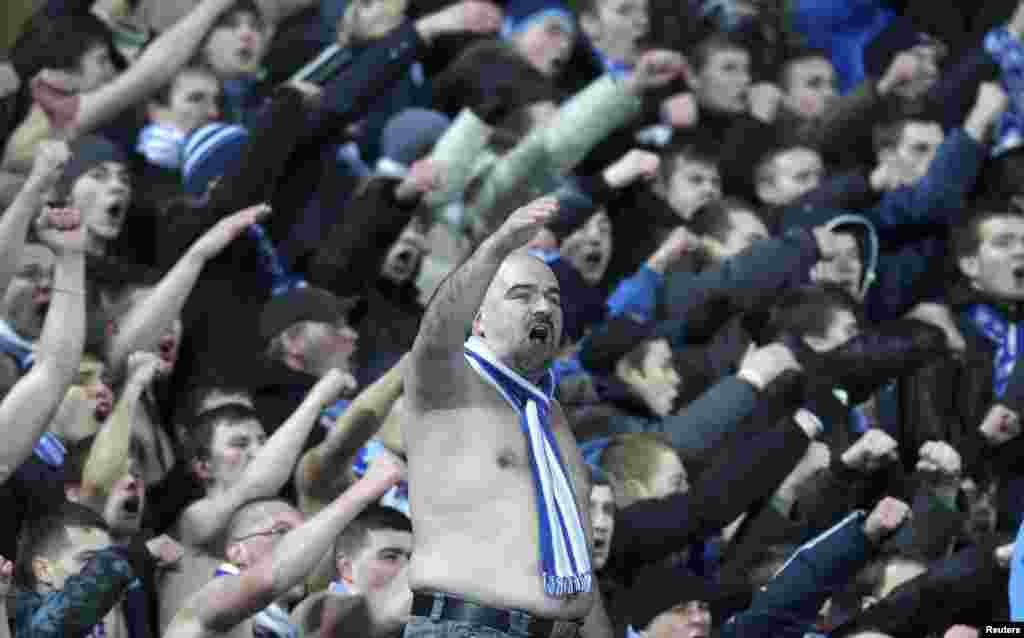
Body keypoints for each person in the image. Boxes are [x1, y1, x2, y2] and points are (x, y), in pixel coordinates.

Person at [404, 195, 613, 637]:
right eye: (523, 296)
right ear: (477, 319)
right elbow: (435, 333)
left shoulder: (549, 413)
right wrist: (496, 248)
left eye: (553, 299)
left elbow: (574, 561)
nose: (543, 308)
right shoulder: (449, 386)